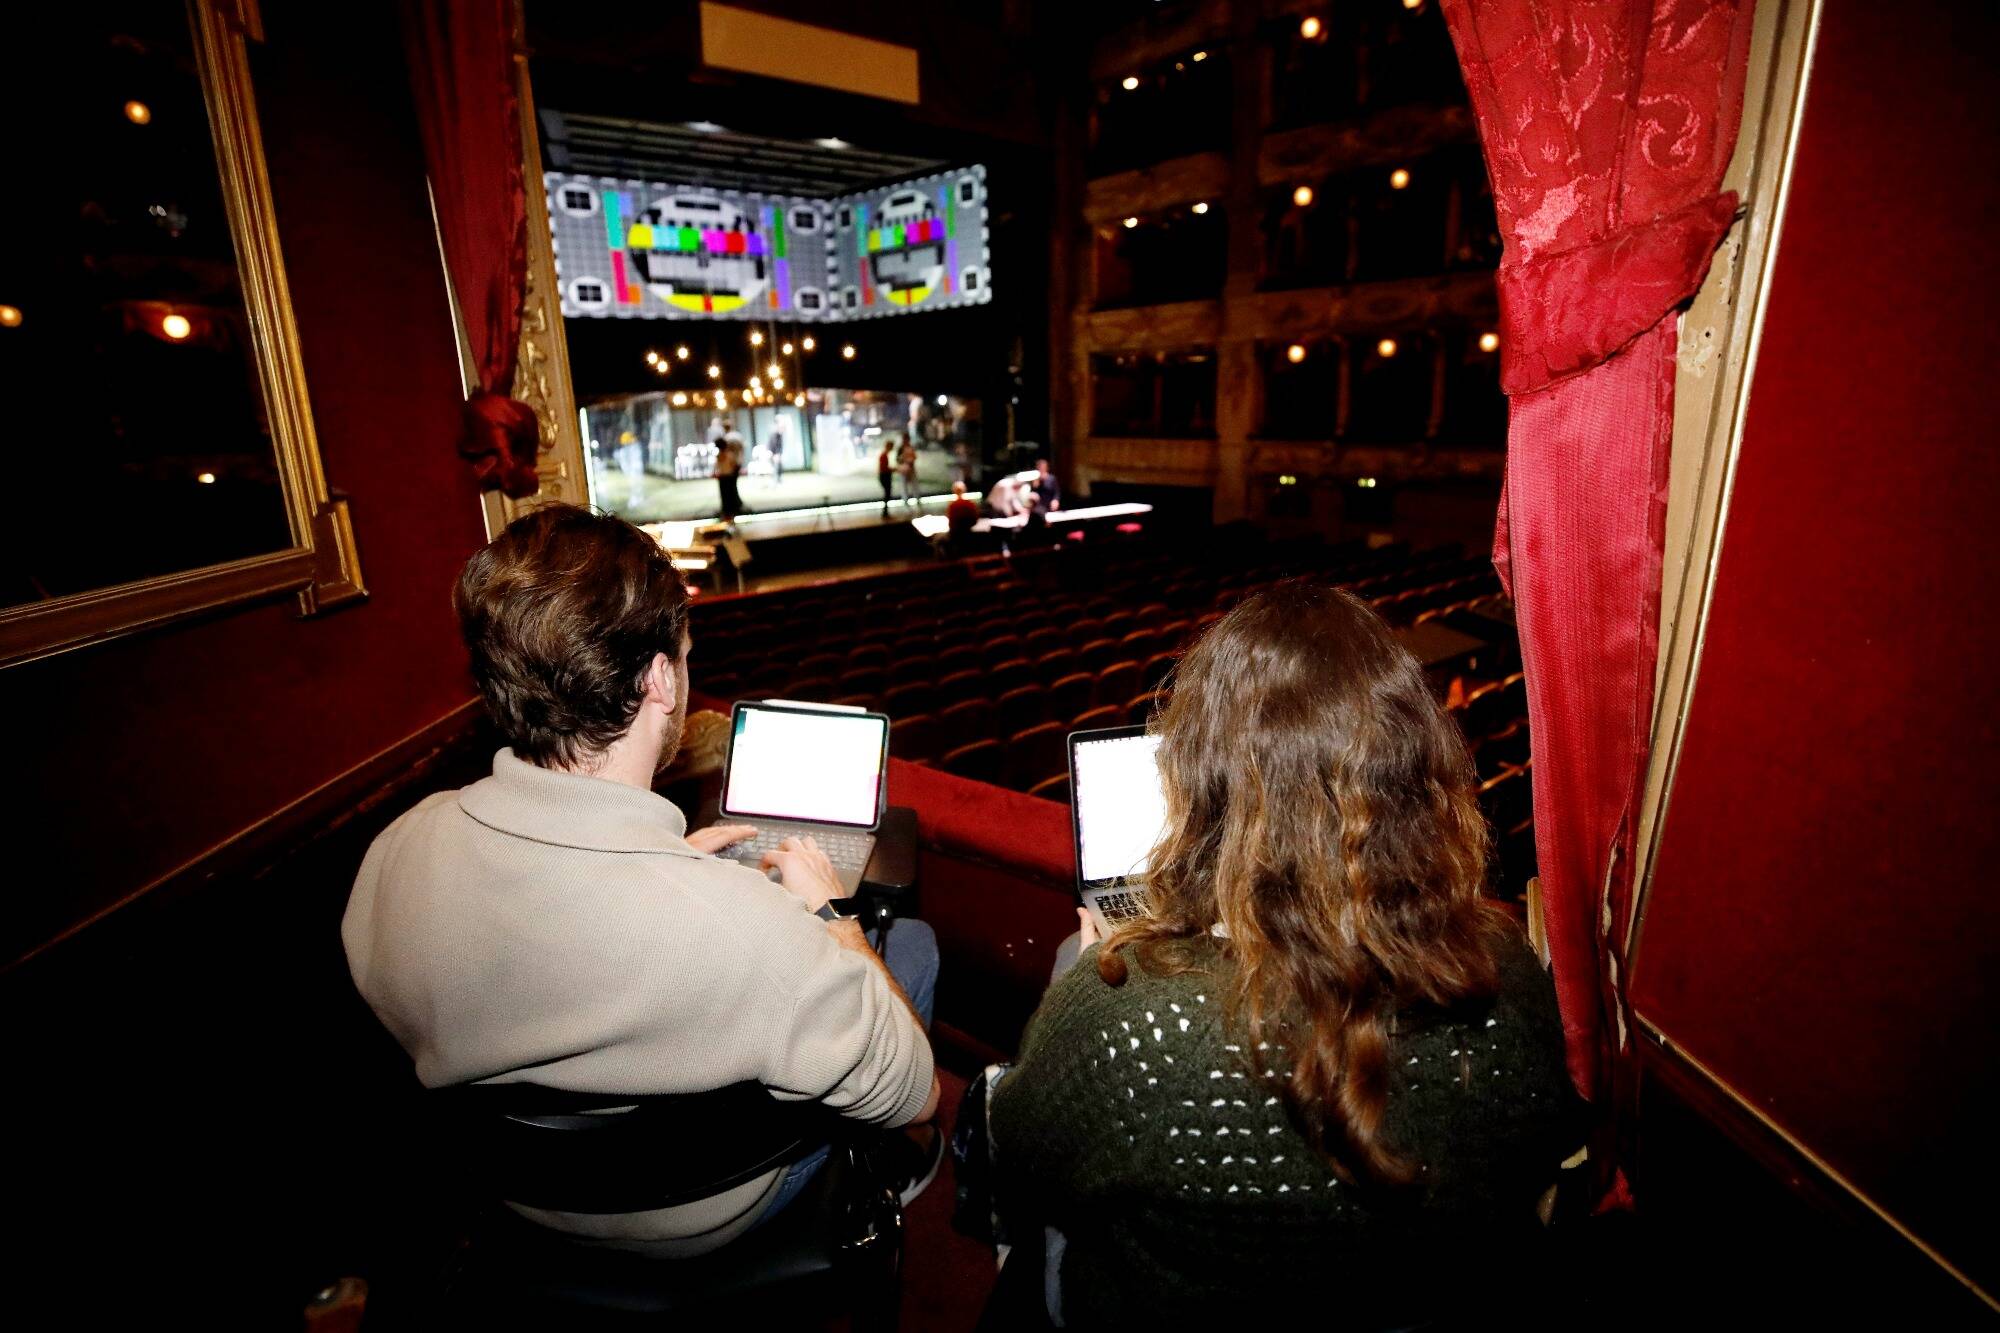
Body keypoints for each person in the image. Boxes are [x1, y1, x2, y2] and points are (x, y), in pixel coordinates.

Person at [342, 506, 942, 1258]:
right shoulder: (751, 933)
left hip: (513, 1192)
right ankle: (899, 1172)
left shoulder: (396, 850)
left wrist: (668, 864)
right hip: (703, 1211)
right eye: (685, 653)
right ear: (660, 676)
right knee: (909, 948)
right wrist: (827, 913)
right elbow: (916, 1089)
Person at [989, 582, 1574, 1329]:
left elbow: (1022, 1153)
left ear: (1198, 781)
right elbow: (1542, 1142)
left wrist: (1100, 974)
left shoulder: (1130, 1019)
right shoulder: (1505, 966)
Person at [716, 424, 745, 520]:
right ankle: (736, 505)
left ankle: (730, 508)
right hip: (734, 466)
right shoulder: (738, 436)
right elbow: (742, 448)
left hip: (725, 473)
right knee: (733, 488)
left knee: (726, 492)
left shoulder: (726, 438)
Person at [897, 436, 919, 506]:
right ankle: (905, 499)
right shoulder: (900, 448)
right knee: (904, 485)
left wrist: (910, 461)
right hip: (904, 469)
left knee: (914, 484)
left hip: (911, 468)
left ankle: (917, 497)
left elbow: (914, 456)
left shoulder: (911, 447)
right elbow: (898, 459)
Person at [878, 437, 896, 517]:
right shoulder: (884, 455)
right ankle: (885, 512)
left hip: (884, 475)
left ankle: (885, 511)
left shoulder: (884, 454)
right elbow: (884, 468)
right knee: (887, 494)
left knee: (887, 494)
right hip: (885, 476)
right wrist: (893, 469)